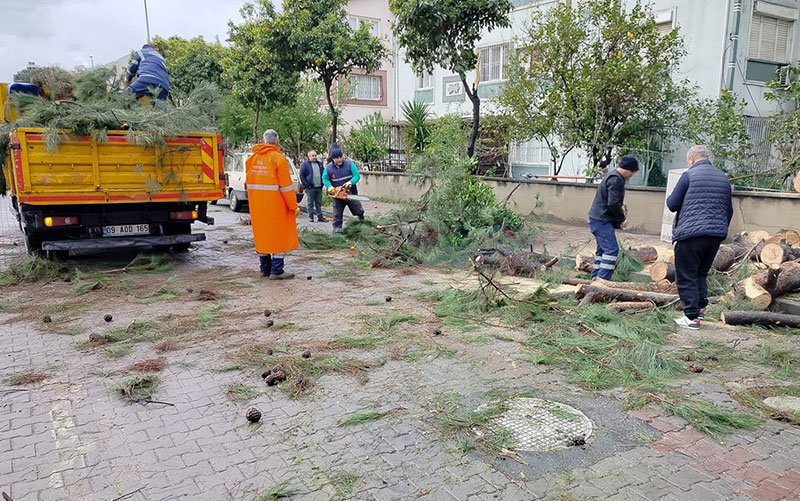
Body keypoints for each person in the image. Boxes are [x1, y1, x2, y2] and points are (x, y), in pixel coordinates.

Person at [667, 145, 733, 329]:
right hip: (715, 235)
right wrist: (720, 229)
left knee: (686, 275)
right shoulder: (723, 178)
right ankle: (700, 311)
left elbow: (672, 204)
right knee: (700, 274)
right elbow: (729, 210)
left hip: (691, 234)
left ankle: (691, 317)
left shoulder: (689, 175)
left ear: (691, 159)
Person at [245, 129, 300, 279]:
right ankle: (277, 271)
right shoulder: (279, 159)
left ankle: (264, 269)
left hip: (257, 206)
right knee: (278, 236)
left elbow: (248, 184)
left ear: (263, 140)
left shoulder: (251, 159)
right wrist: (293, 206)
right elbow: (286, 187)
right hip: (276, 205)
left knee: (262, 235)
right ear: (277, 141)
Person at [587, 156, 639, 280]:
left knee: (601, 251)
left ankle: (595, 280)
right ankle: (602, 281)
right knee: (611, 251)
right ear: (627, 169)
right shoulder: (615, 179)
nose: (632, 175)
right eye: (632, 172)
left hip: (597, 219)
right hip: (602, 221)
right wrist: (622, 219)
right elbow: (613, 203)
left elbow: (612, 201)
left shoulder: (613, 176)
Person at [323, 145, 365, 233]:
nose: (339, 159)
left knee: (358, 210)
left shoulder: (350, 164)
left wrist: (350, 182)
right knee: (337, 213)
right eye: (337, 158)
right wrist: (329, 186)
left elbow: (356, 176)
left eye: (340, 157)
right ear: (333, 159)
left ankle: (362, 221)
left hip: (350, 193)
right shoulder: (328, 168)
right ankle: (337, 229)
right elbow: (325, 179)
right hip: (337, 195)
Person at [299, 150, 327, 222]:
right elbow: (302, 175)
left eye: (315, 155)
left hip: (319, 187)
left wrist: (323, 183)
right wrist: (306, 185)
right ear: (309, 157)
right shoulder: (305, 164)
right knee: (310, 203)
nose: (314, 157)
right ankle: (311, 217)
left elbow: (324, 174)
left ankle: (320, 217)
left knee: (318, 203)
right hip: (310, 187)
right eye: (313, 156)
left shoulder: (320, 164)